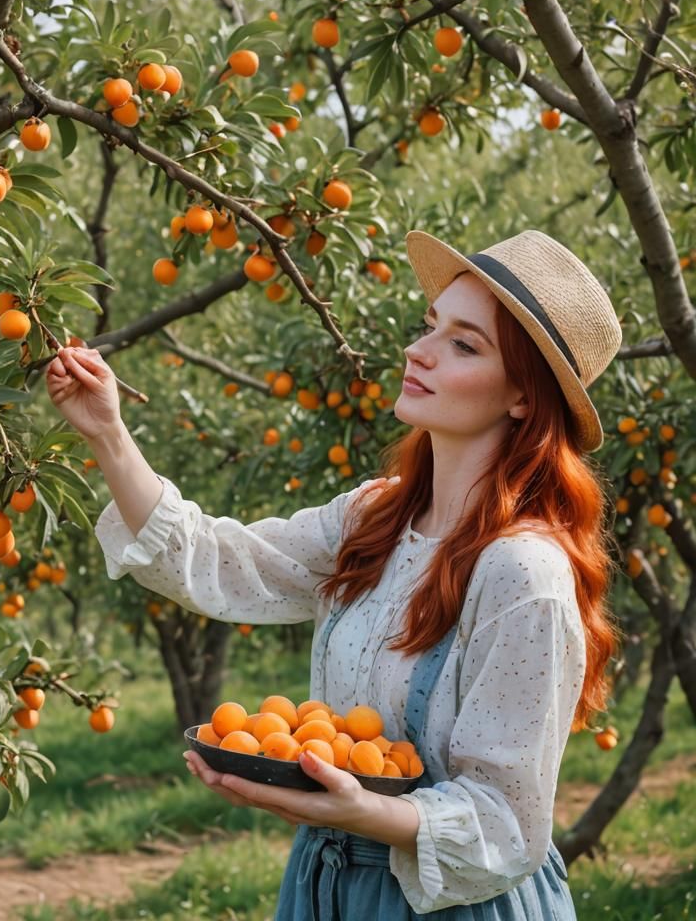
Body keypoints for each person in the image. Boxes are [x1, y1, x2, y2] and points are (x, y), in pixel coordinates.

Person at [45, 228, 623, 918]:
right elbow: (216, 563)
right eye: (429, 326)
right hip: (327, 884)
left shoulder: (521, 573)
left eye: (464, 344)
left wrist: (361, 813)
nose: (419, 350)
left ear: (523, 397)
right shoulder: (376, 517)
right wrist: (108, 433)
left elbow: (507, 824)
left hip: (449, 903)